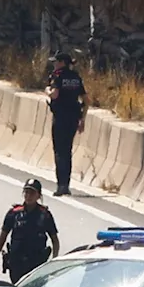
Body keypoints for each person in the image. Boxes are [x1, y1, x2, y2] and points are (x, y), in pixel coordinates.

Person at [0, 179, 61, 284]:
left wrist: (53, 264)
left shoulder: (45, 215)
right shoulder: (14, 213)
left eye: (32, 193)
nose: (28, 196)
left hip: (36, 264)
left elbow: (55, 241)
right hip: (16, 263)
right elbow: (2, 238)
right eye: (26, 192)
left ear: (38, 196)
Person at [44, 51, 87, 197]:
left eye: (56, 61)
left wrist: (47, 91)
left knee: (59, 151)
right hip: (74, 118)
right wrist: (83, 119)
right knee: (67, 151)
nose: (54, 64)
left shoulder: (57, 76)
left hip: (60, 117)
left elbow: (55, 94)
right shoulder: (76, 77)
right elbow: (86, 100)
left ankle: (60, 185)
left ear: (62, 62)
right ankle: (66, 185)